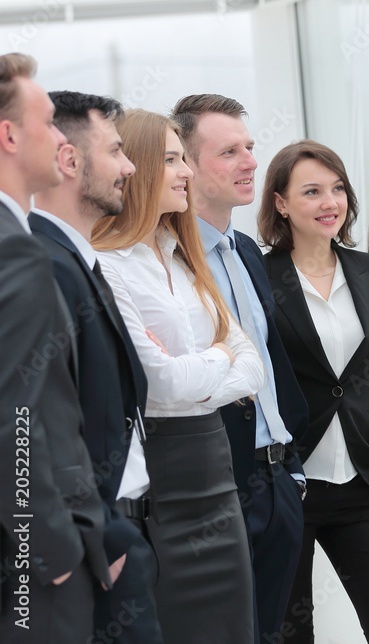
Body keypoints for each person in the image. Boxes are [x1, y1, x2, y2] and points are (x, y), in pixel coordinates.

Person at [92, 108, 262, 643]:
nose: (186, 171)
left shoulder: (184, 259)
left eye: (184, 159)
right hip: (159, 484)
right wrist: (220, 357)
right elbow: (159, 384)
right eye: (171, 160)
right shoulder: (106, 265)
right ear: (138, 167)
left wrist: (204, 367)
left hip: (217, 481)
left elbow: (253, 368)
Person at [258, 140, 369, 643]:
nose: (330, 202)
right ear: (281, 203)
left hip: (363, 480)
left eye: (338, 189)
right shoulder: (258, 276)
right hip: (290, 482)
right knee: (291, 633)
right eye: (312, 192)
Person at [171, 94, 308, 642]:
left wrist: (291, 470)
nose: (250, 161)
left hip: (277, 481)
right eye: (229, 152)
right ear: (185, 164)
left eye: (249, 147)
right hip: (215, 484)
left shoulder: (247, 250)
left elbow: (274, 362)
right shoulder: (166, 260)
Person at [29, 90, 163, 643]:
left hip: (126, 531)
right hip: (94, 548)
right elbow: (30, 425)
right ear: (69, 161)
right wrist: (83, 544)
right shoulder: (43, 267)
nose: (130, 167)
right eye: (115, 151)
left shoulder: (78, 262)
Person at [0, 53, 110, 643]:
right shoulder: (13, 248)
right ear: (9, 136)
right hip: (33, 564)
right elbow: (12, 416)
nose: (60, 139)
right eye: (46, 123)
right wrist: (52, 548)